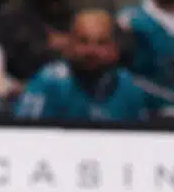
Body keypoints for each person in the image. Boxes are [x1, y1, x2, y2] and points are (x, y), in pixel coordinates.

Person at [14, 10, 150, 122]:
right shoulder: (49, 81)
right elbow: (24, 135)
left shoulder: (128, 86)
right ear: (69, 45)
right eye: (83, 41)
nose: (92, 51)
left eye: (101, 43)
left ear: (114, 49)